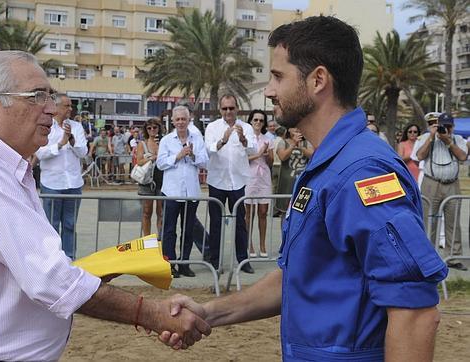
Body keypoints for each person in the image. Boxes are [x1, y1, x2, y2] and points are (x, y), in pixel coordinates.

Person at [161, 16, 447, 361]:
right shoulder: (329, 165)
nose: (268, 90)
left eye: (278, 76)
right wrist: (208, 313)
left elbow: (414, 311)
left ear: (318, 80)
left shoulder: (362, 172)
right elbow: (295, 279)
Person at [0, 50, 210, 361]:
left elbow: (28, 269)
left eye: (50, 97)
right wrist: (153, 313)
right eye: (37, 96)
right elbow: (50, 280)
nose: (51, 109)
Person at [204, 94, 255, 274]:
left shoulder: (246, 127)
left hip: (238, 181)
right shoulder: (212, 127)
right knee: (216, 223)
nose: (228, 112)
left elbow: (253, 149)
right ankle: (215, 262)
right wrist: (223, 140)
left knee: (240, 223)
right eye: (225, 108)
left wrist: (243, 140)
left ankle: (243, 260)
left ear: (237, 108)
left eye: (231, 108)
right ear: (220, 110)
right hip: (217, 181)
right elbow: (208, 150)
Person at [157, 106, 208, 278]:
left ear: (188, 120)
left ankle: (184, 263)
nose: (180, 122)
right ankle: (169, 263)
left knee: (188, 230)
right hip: (171, 191)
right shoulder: (166, 140)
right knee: (169, 230)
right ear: (172, 121)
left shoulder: (197, 138)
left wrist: (193, 156)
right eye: (177, 119)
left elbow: (204, 162)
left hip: (191, 192)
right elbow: (160, 163)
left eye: (183, 119)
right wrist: (177, 156)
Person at [34, 93, 87, 260]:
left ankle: (70, 259)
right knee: (51, 226)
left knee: (70, 225)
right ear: (55, 107)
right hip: (52, 184)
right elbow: (40, 153)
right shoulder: (44, 126)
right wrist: (59, 144)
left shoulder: (77, 127)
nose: (71, 109)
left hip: (73, 184)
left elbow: (83, 152)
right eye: (67, 106)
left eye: (71, 106)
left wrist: (71, 140)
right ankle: (53, 260)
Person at [414, 112, 468, 271]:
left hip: (452, 183)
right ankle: (427, 256)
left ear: (453, 126)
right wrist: (431, 137)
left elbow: (463, 157)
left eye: (449, 126)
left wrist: (448, 141)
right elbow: (419, 156)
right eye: (443, 126)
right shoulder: (426, 138)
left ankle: (454, 256)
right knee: (428, 220)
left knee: (453, 221)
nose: (446, 129)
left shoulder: (458, 139)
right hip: (431, 182)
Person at [244, 109, 273, 258]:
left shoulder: (268, 138)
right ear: (250, 121)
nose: (258, 123)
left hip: (264, 176)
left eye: (261, 120)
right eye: (255, 120)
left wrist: (267, 155)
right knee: (249, 213)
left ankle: (262, 244)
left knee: (263, 211)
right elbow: (242, 159)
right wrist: (258, 154)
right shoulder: (246, 138)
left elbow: (271, 161)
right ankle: (249, 245)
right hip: (250, 175)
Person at [274, 127, 313, 216]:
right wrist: (293, 145)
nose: (297, 128)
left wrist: (301, 147)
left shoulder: (307, 142)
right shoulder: (283, 142)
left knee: (301, 212)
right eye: (294, 127)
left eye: (298, 126)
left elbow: (313, 155)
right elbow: (282, 157)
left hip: (303, 183)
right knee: (284, 212)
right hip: (286, 184)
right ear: (289, 129)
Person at [136, 118, 164, 236]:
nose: (152, 130)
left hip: (162, 179)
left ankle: (160, 239)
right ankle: (147, 239)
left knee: (161, 212)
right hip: (147, 180)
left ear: (159, 128)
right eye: (149, 128)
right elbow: (139, 161)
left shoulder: (164, 142)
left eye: (155, 127)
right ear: (146, 130)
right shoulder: (142, 144)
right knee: (147, 212)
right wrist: (152, 157)